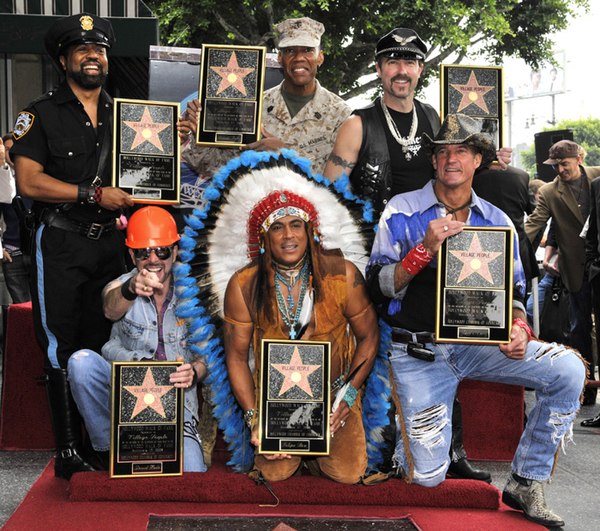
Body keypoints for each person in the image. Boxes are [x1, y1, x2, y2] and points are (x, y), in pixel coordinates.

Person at [366, 113, 585, 528]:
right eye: (443, 151)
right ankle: (407, 434)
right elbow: (376, 287)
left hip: (478, 346)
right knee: (426, 478)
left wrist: (519, 328)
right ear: (433, 161)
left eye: (462, 151)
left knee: (569, 370)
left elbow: (517, 295)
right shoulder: (401, 210)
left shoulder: (498, 220)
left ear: (478, 160)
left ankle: (526, 480)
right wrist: (422, 251)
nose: (452, 159)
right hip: (418, 350)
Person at [323, 27, 502, 482]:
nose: (401, 70)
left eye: (410, 62)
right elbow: (328, 196)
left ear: (420, 69)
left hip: (438, 250)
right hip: (374, 256)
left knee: (448, 340)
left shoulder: (436, 119)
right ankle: (376, 450)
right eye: (391, 61)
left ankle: (449, 449)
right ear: (380, 69)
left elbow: (460, 168)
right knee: (373, 351)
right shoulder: (357, 123)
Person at [174, 150, 380, 482]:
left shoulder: (343, 273)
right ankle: (298, 454)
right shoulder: (243, 284)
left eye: (296, 225)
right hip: (276, 402)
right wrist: (256, 417)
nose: (288, 236)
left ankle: (316, 453)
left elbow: (369, 337)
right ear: (264, 238)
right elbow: (238, 358)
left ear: (309, 229)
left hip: (333, 396)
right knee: (276, 473)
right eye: (278, 228)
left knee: (346, 473)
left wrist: (349, 396)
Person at [9, 13, 134, 479]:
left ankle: (98, 443)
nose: (92, 56)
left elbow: (146, 173)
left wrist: (170, 142)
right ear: (63, 60)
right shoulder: (38, 113)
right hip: (59, 241)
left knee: (102, 341)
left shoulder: (128, 115)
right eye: (81, 50)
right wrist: (91, 194)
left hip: (110, 245)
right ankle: (67, 452)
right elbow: (29, 182)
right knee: (60, 344)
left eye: (98, 49)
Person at [67, 206, 207, 471]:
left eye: (162, 251)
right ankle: (109, 448)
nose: (153, 259)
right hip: (126, 399)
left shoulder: (196, 294)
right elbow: (110, 307)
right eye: (143, 252)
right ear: (132, 255)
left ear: (175, 251)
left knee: (192, 473)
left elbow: (210, 357)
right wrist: (131, 289)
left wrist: (194, 373)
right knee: (80, 362)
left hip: (176, 405)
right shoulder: (120, 285)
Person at [181, 16, 351, 177]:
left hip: (311, 207)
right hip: (254, 206)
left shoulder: (341, 115)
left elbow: (339, 181)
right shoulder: (251, 107)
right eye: (290, 50)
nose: (299, 58)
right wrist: (199, 134)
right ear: (279, 57)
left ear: (320, 57)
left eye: (308, 50)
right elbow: (217, 167)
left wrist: (285, 155)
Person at [525, 139, 600, 406]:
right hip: (575, 270)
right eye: (555, 165)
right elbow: (535, 223)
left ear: (578, 159)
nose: (559, 170)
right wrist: (507, 246)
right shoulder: (548, 192)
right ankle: (586, 391)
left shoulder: (597, 176)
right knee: (578, 330)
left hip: (599, 265)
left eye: (564, 164)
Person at [0, 133, 32, 303]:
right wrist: (1, 250)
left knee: (43, 311)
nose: (12, 154)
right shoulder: (3, 177)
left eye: (16, 149)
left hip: (38, 253)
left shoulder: (36, 177)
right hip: (12, 255)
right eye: (7, 150)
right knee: (21, 310)